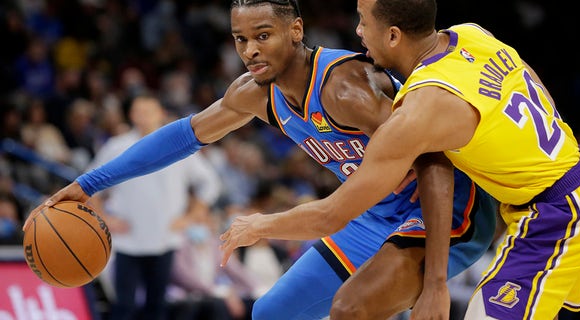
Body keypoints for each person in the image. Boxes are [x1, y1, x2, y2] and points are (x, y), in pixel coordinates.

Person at [23, 1, 497, 319]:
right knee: (270, 314)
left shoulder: (346, 87)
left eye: (263, 35)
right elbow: (182, 137)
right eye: (240, 38)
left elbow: (435, 161)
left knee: (353, 310)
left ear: (295, 30)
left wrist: (436, 280)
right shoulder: (255, 95)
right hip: (374, 213)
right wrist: (90, 183)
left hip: (449, 213)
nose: (250, 50)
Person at [219, 0, 580, 319]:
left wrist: (261, 225)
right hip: (579, 175)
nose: (357, 31)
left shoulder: (420, 108)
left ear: (393, 35)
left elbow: (331, 215)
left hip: (557, 210)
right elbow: (532, 82)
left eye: (362, 20)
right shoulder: (471, 35)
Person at [87, 94, 220, 320]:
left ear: (160, 114)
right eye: (139, 111)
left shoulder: (178, 145)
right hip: (128, 241)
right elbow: (92, 183)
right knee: (124, 306)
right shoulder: (116, 146)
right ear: (131, 115)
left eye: (149, 111)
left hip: (164, 240)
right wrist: (104, 219)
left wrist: (192, 215)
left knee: (157, 306)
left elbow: (209, 183)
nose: (144, 117)